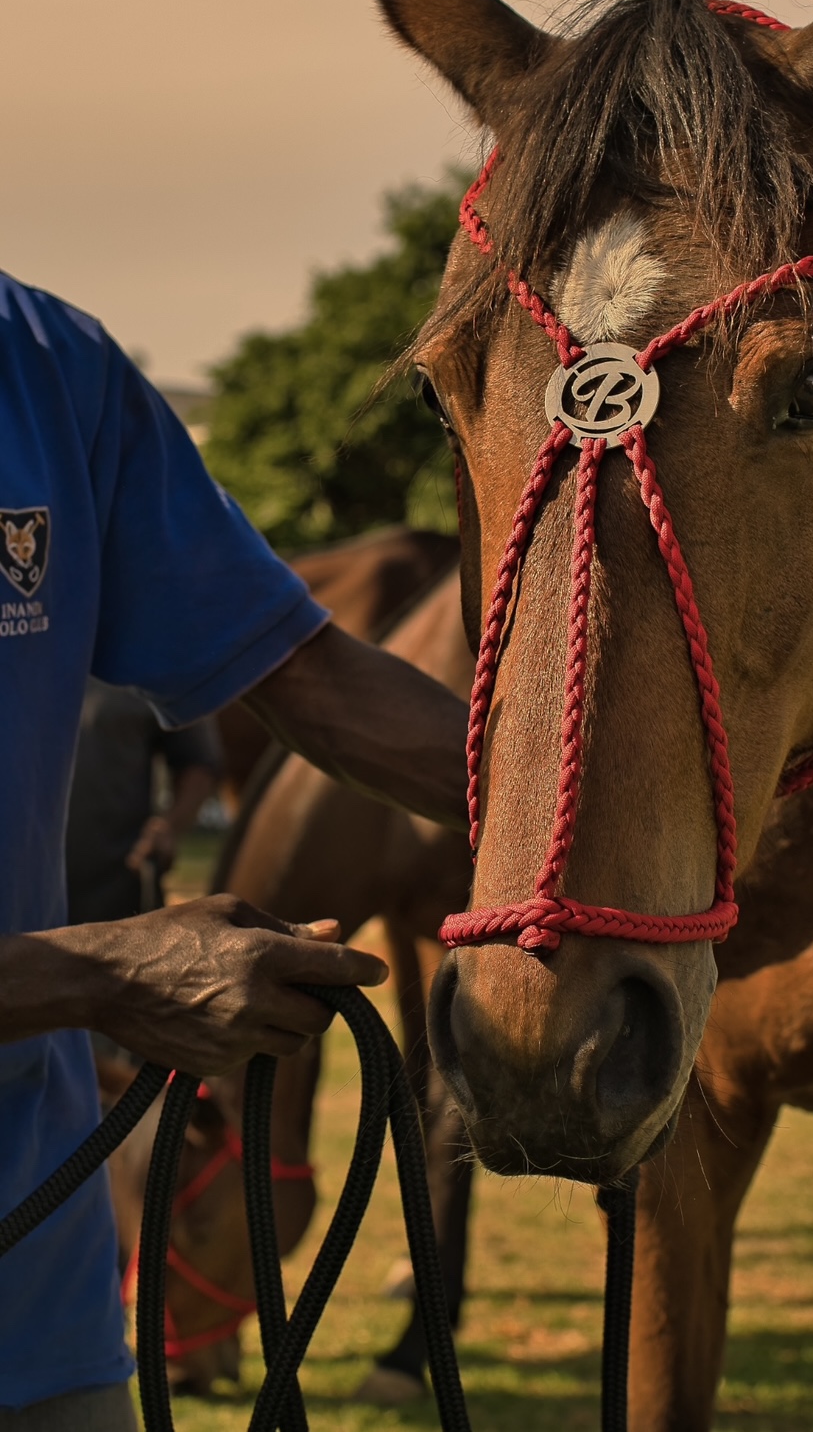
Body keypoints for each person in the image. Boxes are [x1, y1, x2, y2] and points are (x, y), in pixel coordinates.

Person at [0, 269, 470, 1429]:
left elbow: (303, 673)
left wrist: (611, 827)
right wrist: (98, 975)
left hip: (29, 1239)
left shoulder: (45, 360)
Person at [67, 681, 223, 925]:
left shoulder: (148, 662)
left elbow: (198, 763)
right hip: (19, 883)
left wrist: (168, 827)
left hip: (117, 883)